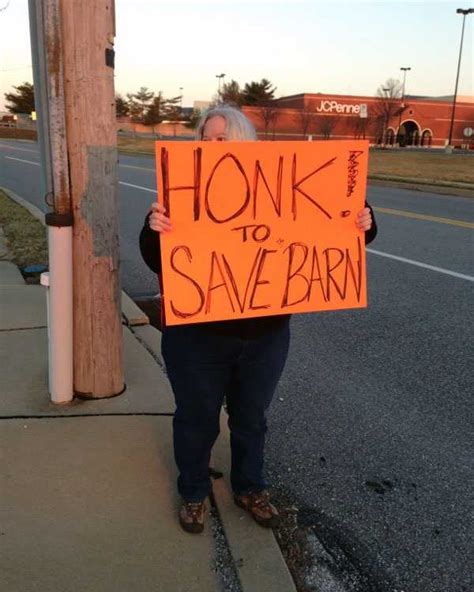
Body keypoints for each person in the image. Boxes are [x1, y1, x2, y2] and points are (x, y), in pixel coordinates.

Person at [140, 105, 377, 534]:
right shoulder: (180, 193)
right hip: (197, 338)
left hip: (265, 335)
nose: (214, 147)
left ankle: (250, 487)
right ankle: (194, 492)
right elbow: (158, 259)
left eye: (223, 139)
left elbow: (338, 226)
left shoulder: (277, 184)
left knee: (252, 419)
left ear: (245, 144)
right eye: (207, 139)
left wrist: (366, 221)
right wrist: (153, 226)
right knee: (196, 418)